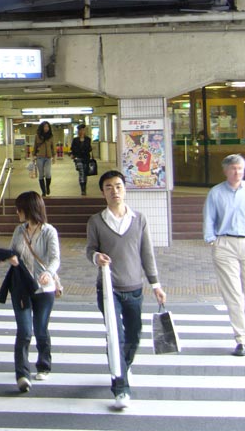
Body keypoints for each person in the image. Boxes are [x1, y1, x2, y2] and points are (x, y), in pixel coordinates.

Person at [86, 171, 165, 410]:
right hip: (108, 290)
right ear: (103, 192)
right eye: (109, 187)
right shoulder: (96, 221)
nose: (114, 191)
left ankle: (123, 365)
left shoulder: (138, 219)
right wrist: (96, 257)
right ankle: (120, 386)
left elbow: (146, 254)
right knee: (115, 336)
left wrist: (156, 285)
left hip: (134, 288)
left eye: (118, 186)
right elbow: (90, 250)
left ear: (125, 189)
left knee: (133, 335)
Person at [203, 153, 245, 357]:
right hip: (225, 244)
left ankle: (239, 317)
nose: (237, 172)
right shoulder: (216, 192)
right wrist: (211, 239)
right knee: (234, 295)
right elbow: (209, 217)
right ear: (225, 171)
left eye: (240, 168)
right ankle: (241, 338)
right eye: (233, 168)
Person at [6, 191, 60, 393]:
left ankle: (44, 364)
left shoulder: (49, 232)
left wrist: (48, 273)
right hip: (21, 287)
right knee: (24, 330)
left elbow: (55, 258)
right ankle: (22, 373)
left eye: (19, 208)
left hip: (44, 289)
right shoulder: (19, 230)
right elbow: (12, 250)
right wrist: (11, 258)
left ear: (28, 209)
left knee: (40, 328)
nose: (17, 212)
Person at [32, 122, 56, 196]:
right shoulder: (37, 136)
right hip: (40, 157)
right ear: (42, 127)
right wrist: (33, 155)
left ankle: (47, 187)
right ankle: (43, 191)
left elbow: (53, 147)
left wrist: (54, 156)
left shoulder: (51, 136)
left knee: (48, 173)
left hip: (48, 157)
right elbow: (35, 146)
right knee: (41, 174)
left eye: (47, 127)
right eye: (45, 127)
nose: (46, 128)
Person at [70, 124, 93, 196]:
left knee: (85, 173)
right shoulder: (75, 140)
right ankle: (82, 189)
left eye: (83, 130)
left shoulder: (88, 139)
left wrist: (91, 149)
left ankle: (84, 186)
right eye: (81, 130)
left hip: (86, 158)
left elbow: (89, 148)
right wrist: (73, 155)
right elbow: (72, 149)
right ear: (79, 131)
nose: (82, 131)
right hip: (78, 158)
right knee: (81, 172)